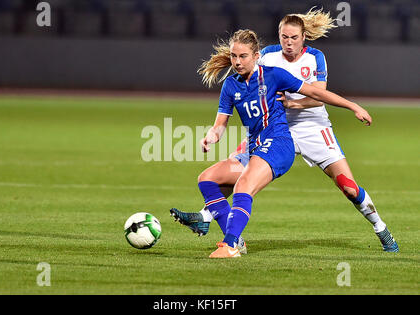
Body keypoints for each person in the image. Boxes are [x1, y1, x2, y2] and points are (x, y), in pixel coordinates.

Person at [171, 9, 399, 255]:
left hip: (312, 126)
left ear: (303, 38)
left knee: (348, 187)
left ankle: (380, 227)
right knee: (231, 172)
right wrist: (213, 134)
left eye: (293, 38)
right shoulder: (267, 56)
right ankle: (212, 219)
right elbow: (248, 78)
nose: (288, 43)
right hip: (275, 127)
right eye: (283, 37)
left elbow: (317, 95)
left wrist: (344, 105)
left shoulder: (314, 58)